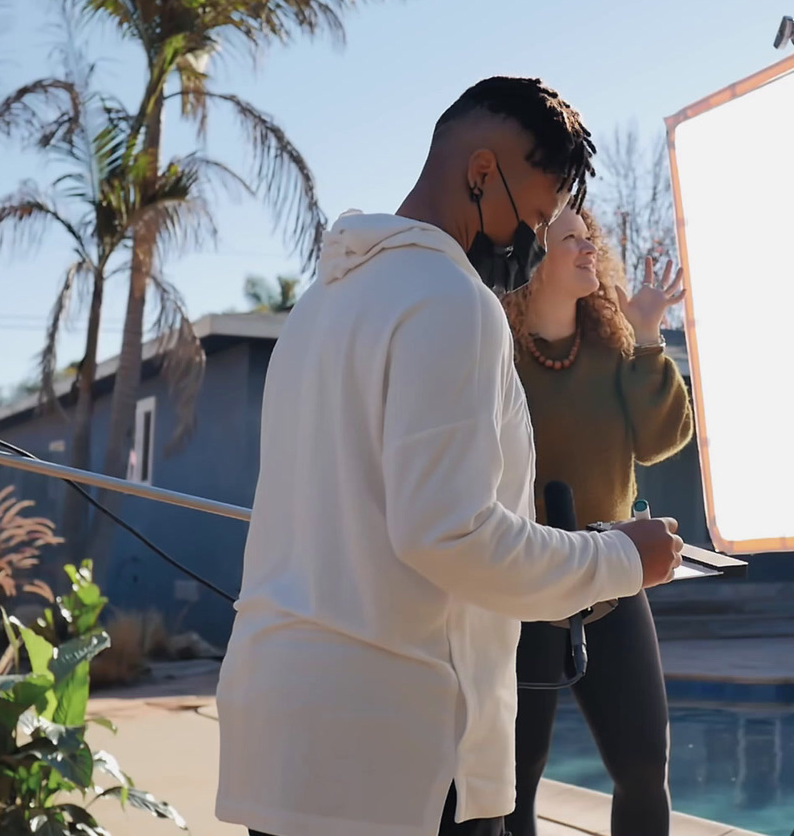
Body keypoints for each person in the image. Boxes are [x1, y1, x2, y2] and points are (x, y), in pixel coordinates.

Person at [214, 76, 687, 836]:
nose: (532, 243)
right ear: (479, 173)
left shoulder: (322, 303)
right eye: (535, 215)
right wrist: (620, 559)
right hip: (398, 757)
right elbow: (451, 533)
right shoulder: (449, 300)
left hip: (283, 739)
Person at [500, 207, 693, 836]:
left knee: (644, 767)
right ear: (535, 260)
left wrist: (645, 335)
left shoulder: (615, 348)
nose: (588, 249)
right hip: (522, 582)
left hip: (612, 579)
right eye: (570, 239)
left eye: (591, 239)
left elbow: (664, 439)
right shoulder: (496, 354)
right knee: (513, 779)